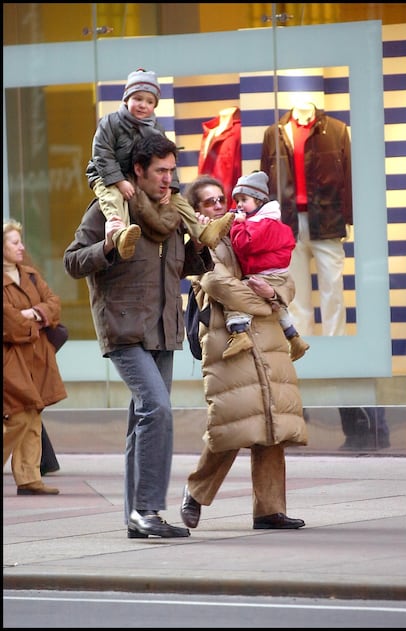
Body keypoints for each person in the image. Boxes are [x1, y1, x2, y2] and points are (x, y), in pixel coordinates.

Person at [64, 133, 210, 539]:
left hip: (163, 330)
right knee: (157, 410)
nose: (168, 179)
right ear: (138, 170)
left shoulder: (171, 215)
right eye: (160, 171)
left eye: (172, 171)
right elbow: (73, 261)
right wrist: (109, 247)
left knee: (142, 422)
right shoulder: (110, 209)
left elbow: (174, 270)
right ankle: (147, 509)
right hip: (124, 327)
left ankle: (136, 517)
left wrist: (199, 247)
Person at [180, 175, 308, 532]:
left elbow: (286, 279)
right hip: (228, 342)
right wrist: (266, 301)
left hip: (267, 341)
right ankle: (195, 491)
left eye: (222, 199)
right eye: (209, 202)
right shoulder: (198, 243)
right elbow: (216, 283)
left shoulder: (251, 228)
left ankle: (269, 510)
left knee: (271, 425)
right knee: (231, 425)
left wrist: (273, 291)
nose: (220, 206)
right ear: (197, 210)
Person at [86, 67, 234, 260]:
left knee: (179, 201)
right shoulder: (111, 122)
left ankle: (202, 231)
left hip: (136, 178)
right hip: (106, 175)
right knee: (113, 199)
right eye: (137, 99)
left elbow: (168, 158)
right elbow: (102, 153)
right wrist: (119, 181)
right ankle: (120, 236)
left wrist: (170, 188)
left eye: (149, 101)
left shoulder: (155, 129)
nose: (142, 105)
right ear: (126, 99)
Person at [260, 102, 353, 336]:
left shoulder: (337, 129)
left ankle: (336, 344)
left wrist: (349, 217)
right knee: (296, 292)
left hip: (328, 218)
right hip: (288, 222)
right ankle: (303, 346)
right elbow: (266, 179)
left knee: (333, 288)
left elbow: (349, 177)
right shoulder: (275, 132)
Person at [3, 219, 67, 495]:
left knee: (33, 413)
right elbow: (10, 326)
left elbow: (54, 304)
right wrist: (36, 321)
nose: (22, 247)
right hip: (11, 358)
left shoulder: (29, 274)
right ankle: (28, 476)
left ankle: (29, 477)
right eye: (15, 242)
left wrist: (35, 314)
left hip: (38, 357)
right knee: (18, 414)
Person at [222, 170, 310, 362]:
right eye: (237, 201)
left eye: (244, 199)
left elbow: (244, 244)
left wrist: (237, 224)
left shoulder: (261, 223)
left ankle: (239, 333)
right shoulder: (267, 221)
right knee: (277, 307)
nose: (239, 205)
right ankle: (294, 337)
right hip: (275, 274)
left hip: (266, 274)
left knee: (237, 295)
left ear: (259, 201)